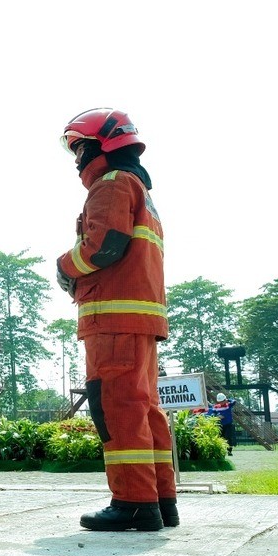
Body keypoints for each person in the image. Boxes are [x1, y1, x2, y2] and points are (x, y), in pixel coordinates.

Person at [55, 107, 177, 531]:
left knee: (117, 408)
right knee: (144, 409)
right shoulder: (141, 192)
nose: (76, 160)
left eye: (80, 149)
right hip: (140, 322)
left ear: (102, 144)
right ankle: (161, 500)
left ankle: (134, 503)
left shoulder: (111, 184)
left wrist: (64, 266)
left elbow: (103, 245)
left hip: (113, 321)